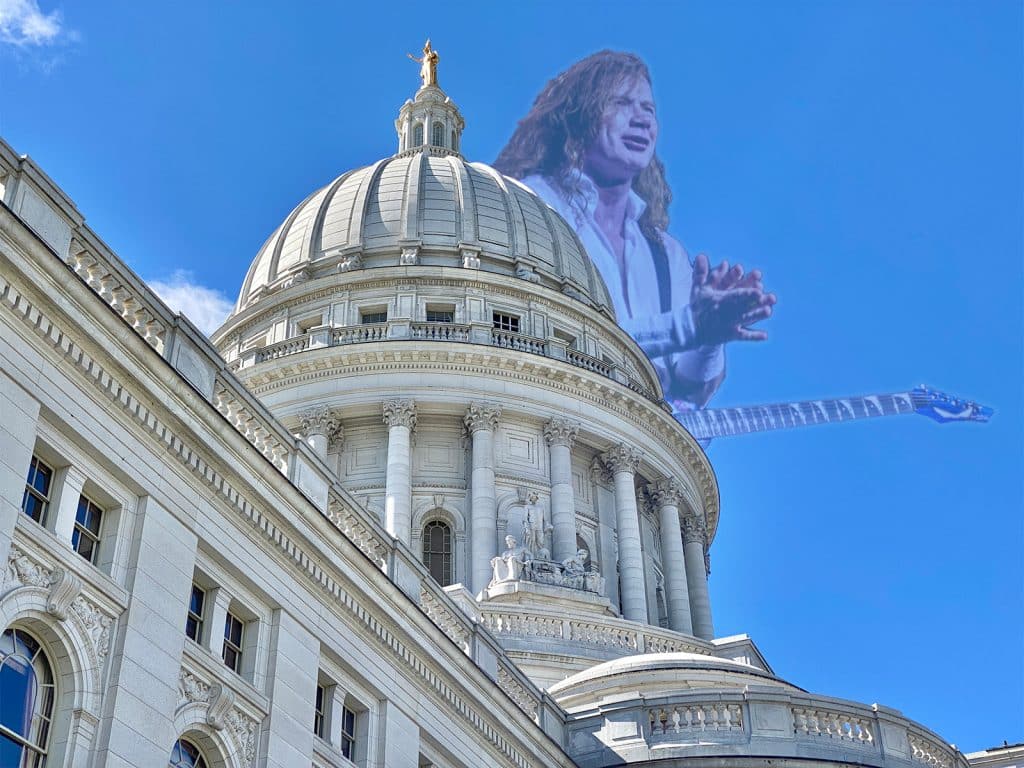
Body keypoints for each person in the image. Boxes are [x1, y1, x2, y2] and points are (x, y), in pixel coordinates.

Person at [495, 51, 776, 410]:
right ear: (579, 117)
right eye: (623, 103)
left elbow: (689, 389)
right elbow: (552, 336)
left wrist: (710, 337)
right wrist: (686, 326)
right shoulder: (532, 202)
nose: (642, 120)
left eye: (649, 109)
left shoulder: (665, 253)